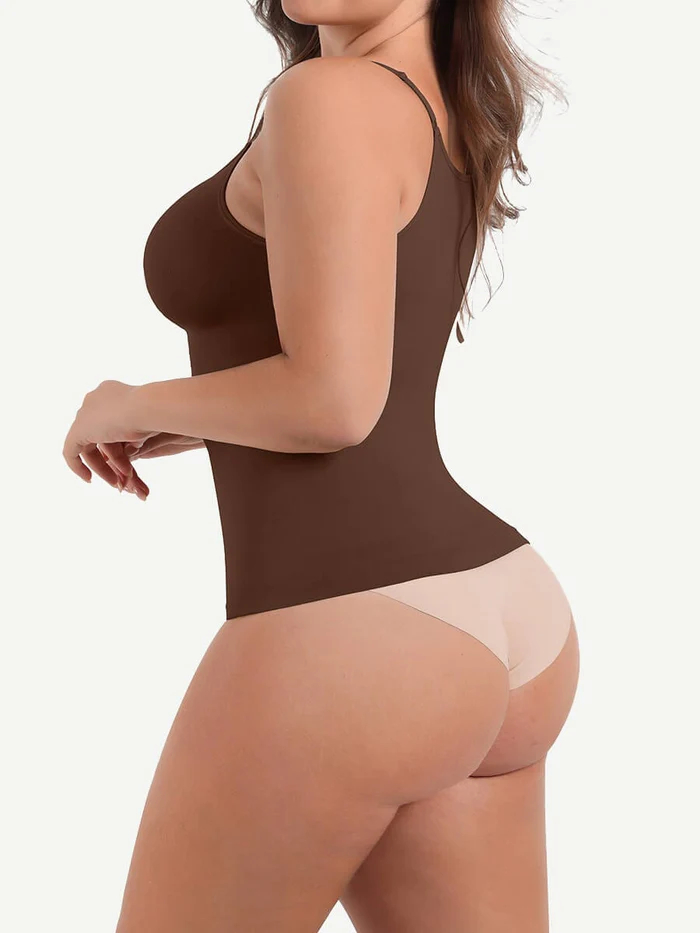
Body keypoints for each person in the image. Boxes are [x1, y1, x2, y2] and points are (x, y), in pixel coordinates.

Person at [63, 1, 579, 930]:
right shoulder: (441, 105)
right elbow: (366, 376)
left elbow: (335, 401)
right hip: (498, 608)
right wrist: (189, 424)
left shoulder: (328, 98)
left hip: (352, 626)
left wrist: (133, 401)